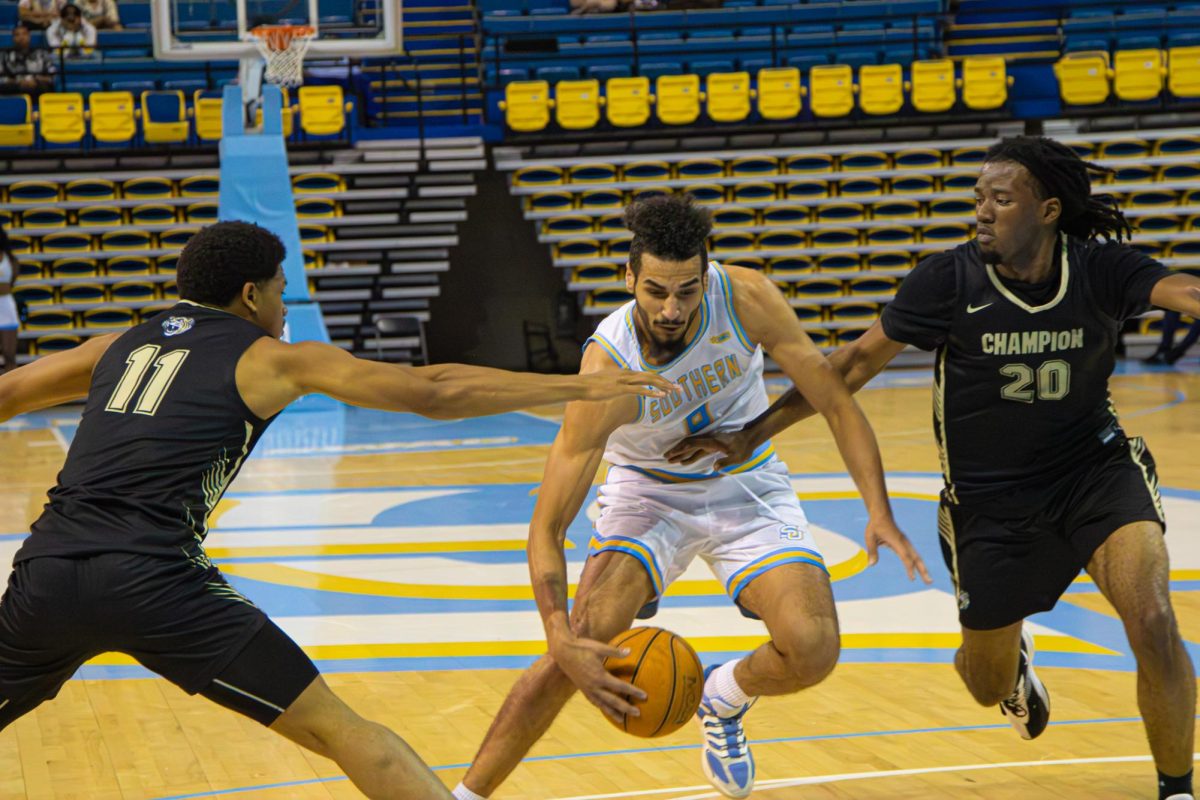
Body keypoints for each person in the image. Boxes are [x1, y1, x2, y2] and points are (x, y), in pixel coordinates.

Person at [0, 221, 674, 800]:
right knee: (341, 730)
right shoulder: (270, 358)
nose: (284, 306)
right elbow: (432, 390)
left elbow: (7, 395)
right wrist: (575, 386)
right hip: (158, 580)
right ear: (251, 294)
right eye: (281, 289)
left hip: (48, 573)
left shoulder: (116, 347)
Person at [667, 136, 1200, 800]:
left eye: (1001, 199)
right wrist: (751, 434)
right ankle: (1011, 669)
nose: (983, 211)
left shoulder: (1098, 269)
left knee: (1152, 620)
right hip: (991, 503)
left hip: (1093, 475)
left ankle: (1177, 789)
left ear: (1049, 210)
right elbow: (851, 366)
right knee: (983, 683)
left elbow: (1183, 290)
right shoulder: (949, 280)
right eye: (979, 197)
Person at [451, 195, 930, 800]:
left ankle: (723, 696)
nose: (672, 309)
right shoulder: (608, 371)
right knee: (581, 641)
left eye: (687, 291)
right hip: (647, 493)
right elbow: (547, 527)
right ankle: (465, 795)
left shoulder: (746, 298)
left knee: (814, 648)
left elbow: (834, 399)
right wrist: (556, 631)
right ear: (629, 277)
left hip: (745, 478)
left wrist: (877, 509)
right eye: (656, 291)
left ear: (707, 276)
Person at [1, 23, 56, 96]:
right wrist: (19, 82)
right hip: (15, 87)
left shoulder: (42, 54)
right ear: (13, 38)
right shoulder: (5, 56)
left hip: (37, 86)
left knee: (47, 87)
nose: (21, 37)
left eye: (24, 34)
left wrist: (36, 80)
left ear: (29, 36)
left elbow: (52, 75)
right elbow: (2, 78)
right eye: (17, 35)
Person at [0, 228, 19, 373]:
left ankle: (10, 381)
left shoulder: (10, 259)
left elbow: (12, 280)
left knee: (9, 353)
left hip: (6, 305)